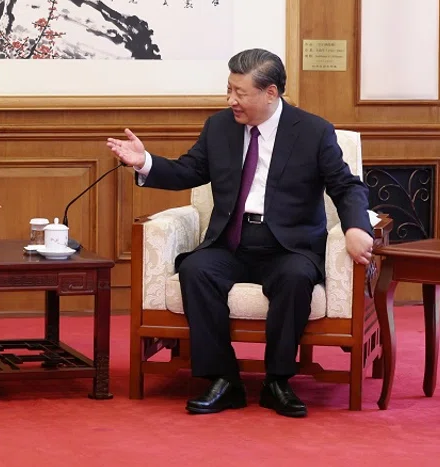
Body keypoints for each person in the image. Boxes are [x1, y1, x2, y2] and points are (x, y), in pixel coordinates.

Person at [107, 48, 374, 418]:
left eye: (240, 92)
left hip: (288, 246)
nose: (231, 100)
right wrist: (145, 162)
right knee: (196, 270)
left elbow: (346, 186)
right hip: (231, 242)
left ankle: (277, 381)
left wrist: (356, 227)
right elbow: (190, 170)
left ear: (271, 93)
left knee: (296, 278)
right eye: (228, 89)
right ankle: (224, 380)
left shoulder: (313, 131)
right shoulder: (219, 127)